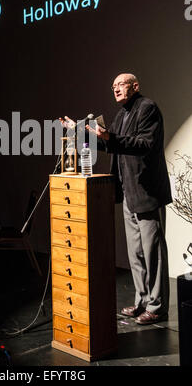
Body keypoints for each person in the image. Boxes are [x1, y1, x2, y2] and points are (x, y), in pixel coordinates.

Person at [60, 72, 172, 325]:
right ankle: (142, 300)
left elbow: (144, 144)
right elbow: (112, 144)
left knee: (152, 252)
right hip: (128, 192)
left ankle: (157, 306)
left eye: (121, 85)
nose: (116, 90)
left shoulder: (147, 108)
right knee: (136, 253)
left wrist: (109, 137)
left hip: (147, 192)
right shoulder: (122, 114)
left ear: (135, 86)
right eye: (113, 86)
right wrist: (78, 133)